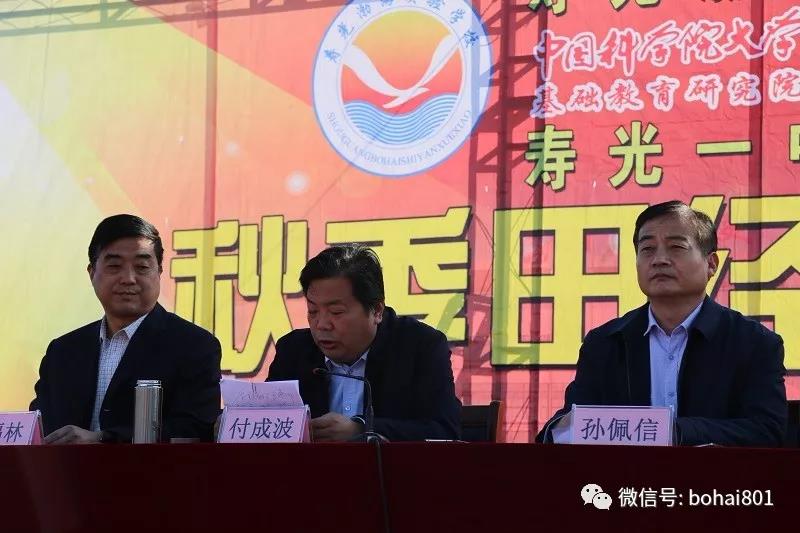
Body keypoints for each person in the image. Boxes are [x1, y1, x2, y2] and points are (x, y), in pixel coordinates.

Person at [537, 200, 786, 447]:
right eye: (647, 249)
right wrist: (559, 429)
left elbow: (767, 431)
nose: (659, 260)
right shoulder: (604, 343)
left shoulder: (754, 343)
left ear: (711, 264)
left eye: (676, 247)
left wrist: (673, 432)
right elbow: (568, 424)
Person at [30, 214, 222, 443]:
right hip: (66, 468)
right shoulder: (62, 351)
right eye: (114, 266)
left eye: (142, 267)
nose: (128, 278)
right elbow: (39, 426)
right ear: (92, 273)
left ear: (159, 272)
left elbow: (193, 428)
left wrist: (103, 439)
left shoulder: (194, 346)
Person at [267, 244, 461, 442]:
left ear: (377, 311)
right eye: (313, 311)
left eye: (336, 312)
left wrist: (363, 429)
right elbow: (265, 427)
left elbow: (444, 431)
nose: (322, 324)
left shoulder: (421, 347)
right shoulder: (293, 351)